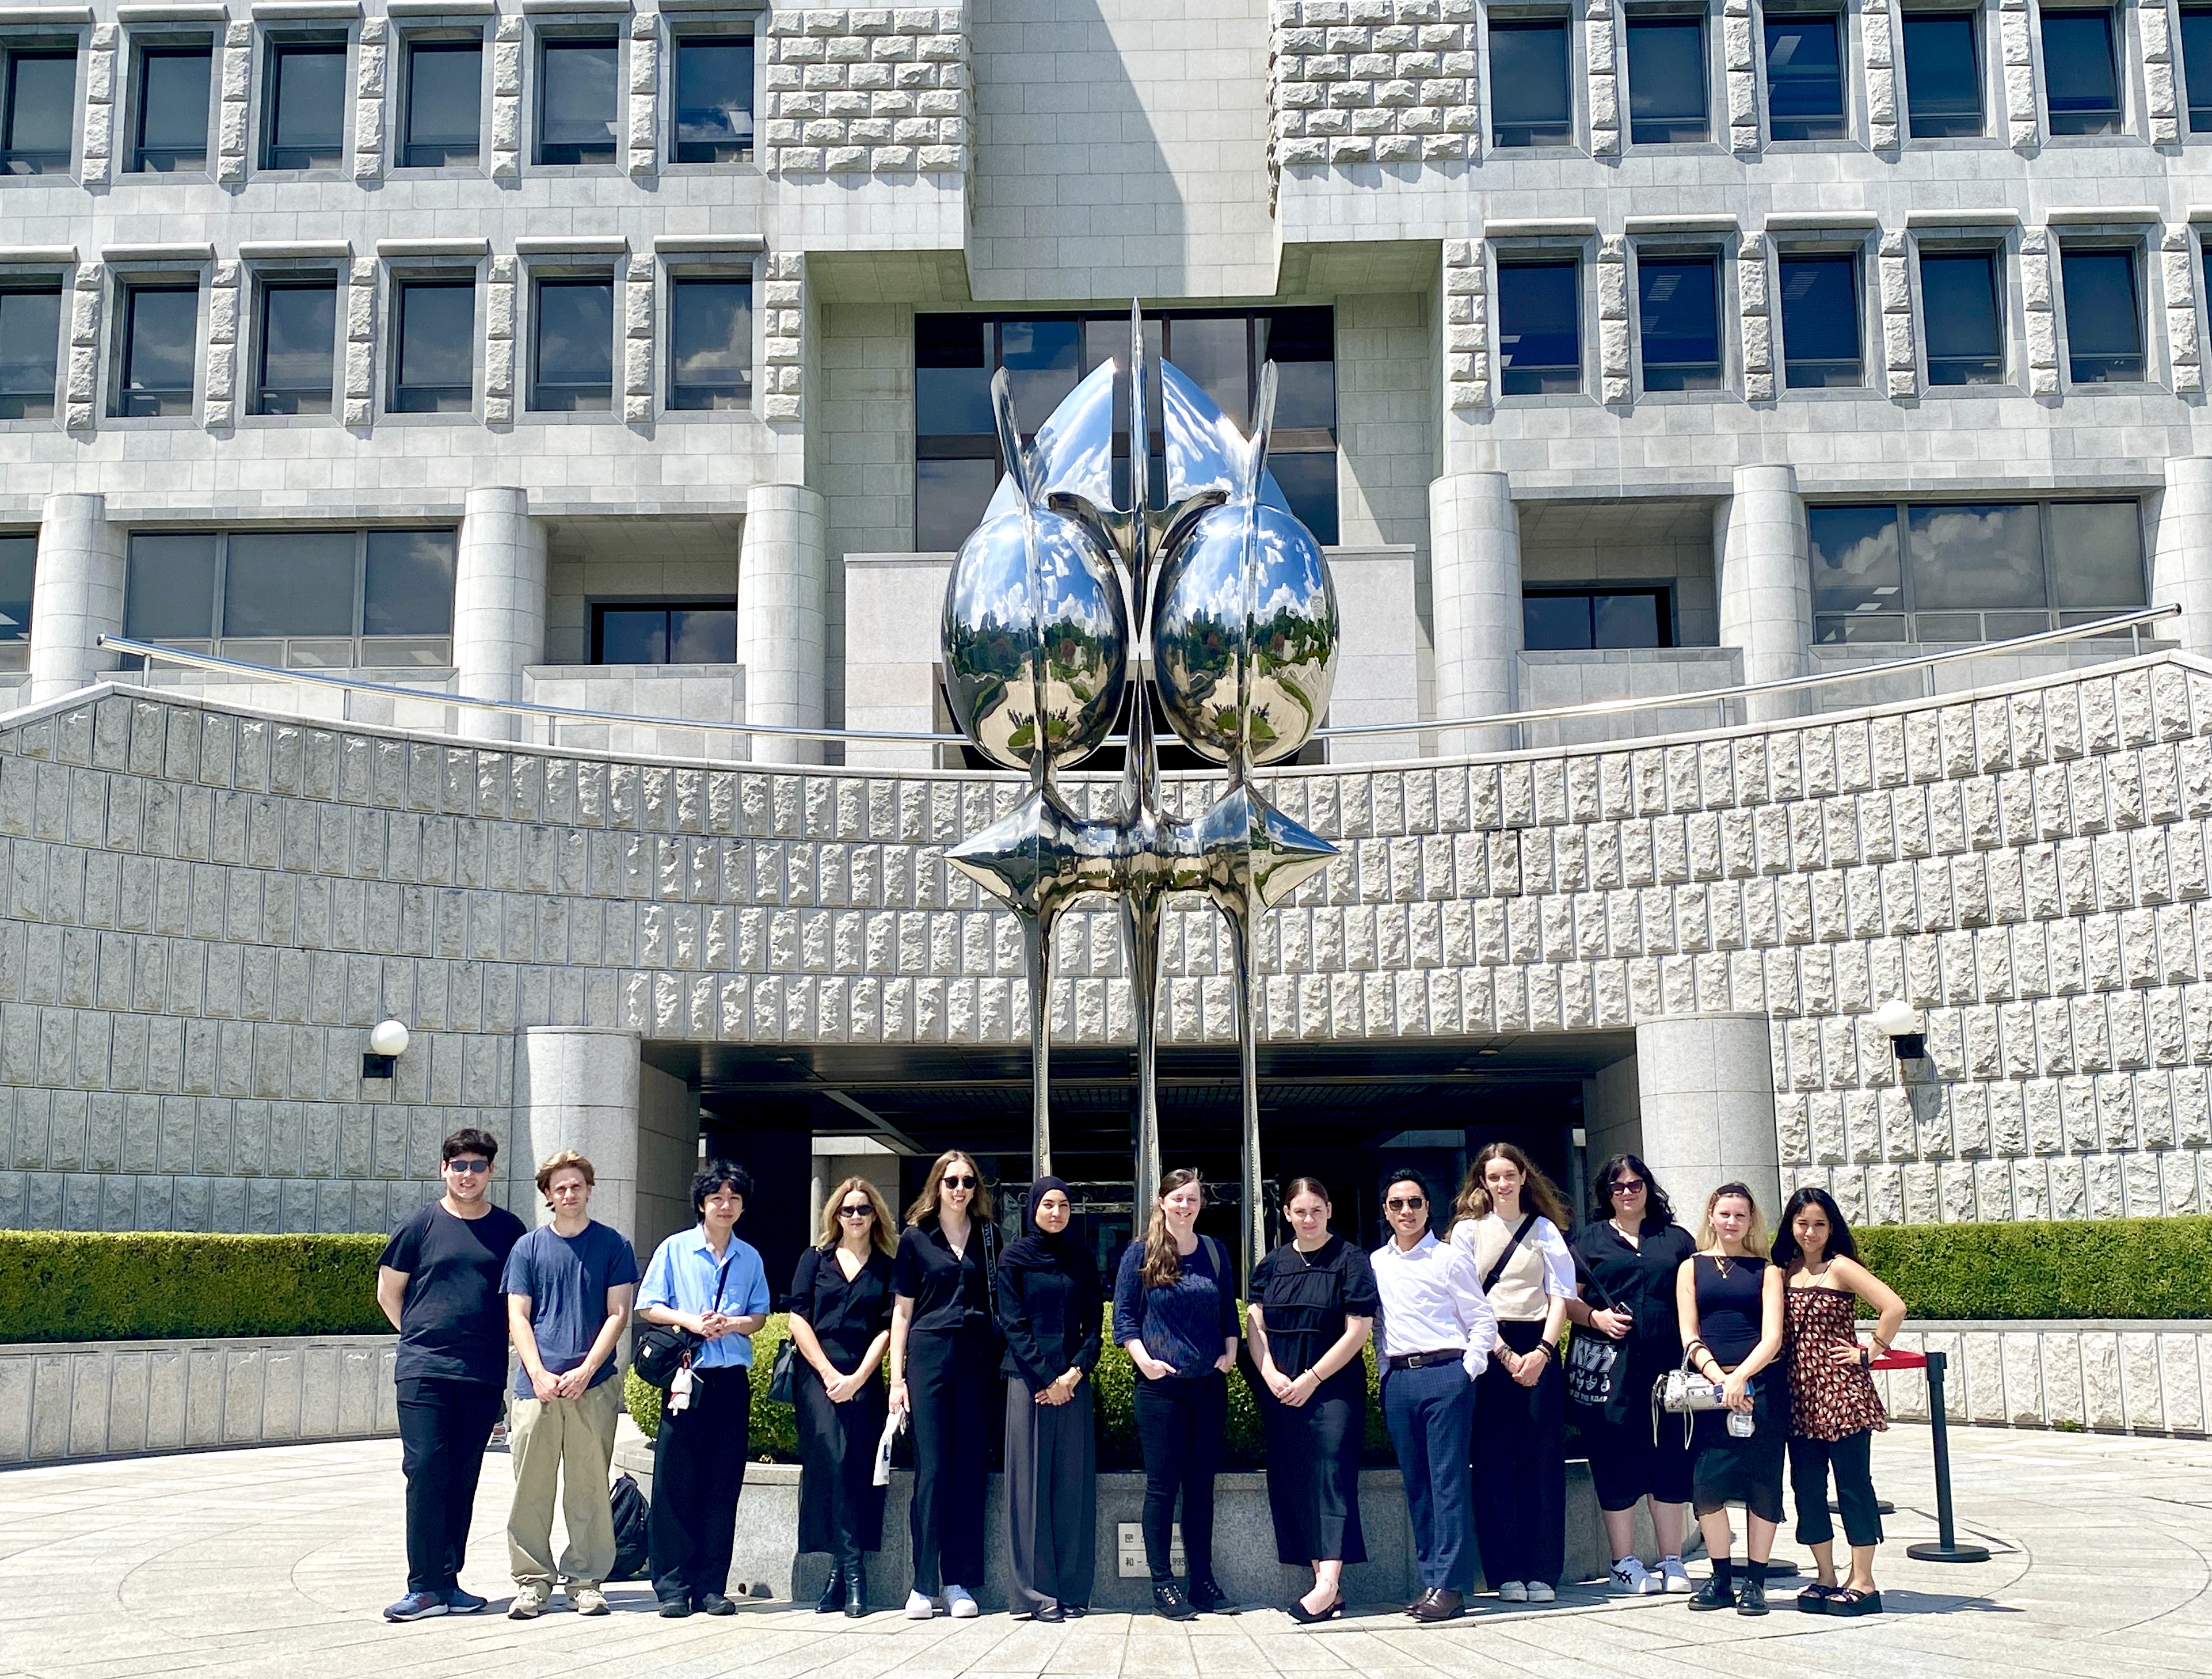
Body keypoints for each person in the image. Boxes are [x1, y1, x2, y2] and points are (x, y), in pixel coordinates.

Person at [375, 1128, 527, 1623]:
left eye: (477, 1166)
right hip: (424, 1370)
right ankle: (422, 1586)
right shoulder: (419, 1223)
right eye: (458, 1165)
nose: (467, 1174)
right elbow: (388, 1292)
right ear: (444, 1169)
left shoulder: (509, 1229)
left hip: (481, 1373)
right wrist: (421, 1334)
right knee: (424, 1471)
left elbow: (519, 1299)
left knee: (463, 1475)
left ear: (490, 1171)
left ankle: (449, 1581)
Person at [501, 1149, 638, 1619]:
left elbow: (617, 1314)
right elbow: (518, 1315)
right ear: (547, 1195)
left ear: (588, 1189)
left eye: (576, 1185)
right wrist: (537, 1372)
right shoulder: (528, 1247)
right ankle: (532, 1582)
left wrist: (584, 1371)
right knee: (530, 1490)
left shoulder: (612, 1245)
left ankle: (585, 1580)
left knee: (589, 1489)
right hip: (534, 1388)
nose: (569, 1194)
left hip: (592, 1385)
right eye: (559, 1187)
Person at [635, 1162, 772, 1618]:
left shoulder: (749, 1257)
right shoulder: (675, 1249)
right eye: (717, 1198)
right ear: (701, 1203)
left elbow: (759, 1316)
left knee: (721, 1483)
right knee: (675, 1482)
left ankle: (712, 1584)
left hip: (730, 1380)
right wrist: (690, 1320)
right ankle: (672, 1584)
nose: (725, 1205)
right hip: (684, 1378)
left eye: (734, 1198)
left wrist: (732, 1324)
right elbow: (648, 1306)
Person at [1564, 1153, 1697, 1597]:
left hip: (1666, 1364)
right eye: (1617, 1186)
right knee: (1614, 1457)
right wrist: (1595, 1318)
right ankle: (1623, 1563)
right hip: (1610, 1369)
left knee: (1670, 1457)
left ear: (1648, 1188)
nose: (1626, 1192)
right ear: (1606, 1192)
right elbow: (1564, 1300)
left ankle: (1671, 1559)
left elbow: (1693, 1297)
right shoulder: (1589, 1239)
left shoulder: (1676, 1240)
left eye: (1635, 1184)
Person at [1370, 1165, 1497, 1624]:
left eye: (1415, 1202)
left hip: (1446, 1374)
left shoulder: (1448, 1258)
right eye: (1397, 1203)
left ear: (1427, 1207)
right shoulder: (1376, 1263)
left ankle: (1451, 1584)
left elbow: (1482, 1319)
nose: (1406, 1211)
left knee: (1447, 1482)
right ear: (1385, 1210)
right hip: (1400, 1380)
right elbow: (1378, 1325)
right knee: (1417, 1484)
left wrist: (1467, 1370)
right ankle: (1431, 1578)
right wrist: (1385, 1375)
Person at [1246, 1177, 1377, 1623]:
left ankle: (1326, 1585)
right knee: (1294, 1479)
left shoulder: (1350, 1259)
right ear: (1286, 1213)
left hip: (1332, 1387)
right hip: (1281, 1388)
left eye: (1316, 1210)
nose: (1308, 1218)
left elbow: (1358, 1329)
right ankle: (1325, 1586)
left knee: (1331, 1473)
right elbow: (1255, 1324)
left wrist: (1312, 1377)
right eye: (1299, 1211)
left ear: (1329, 1210)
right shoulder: (1269, 1265)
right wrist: (1271, 1375)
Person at [1112, 1168, 1240, 1620]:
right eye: (1178, 1198)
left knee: (1201, 1487)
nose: (1185, 1206)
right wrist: (1142, 1358)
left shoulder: (1214, 1251)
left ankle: (1201, 1580)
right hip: (1159, 1390)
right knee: (1162, 1487)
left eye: (1193, 1198)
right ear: (1162, 1202)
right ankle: (1163, 1584)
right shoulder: (1140, 1253)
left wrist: (1230, 1350)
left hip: (1207, 1386)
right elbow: (1123, 1315)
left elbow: (1227, 1307)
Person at [1773, 1186, 1906, 1617]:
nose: (1809, 1232)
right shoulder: (1783, 1270)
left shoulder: (1841, 1267)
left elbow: (1893, 1306)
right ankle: (1825, 1574)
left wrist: (1870, 1349)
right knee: (1807, 1488)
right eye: (1802, 1223)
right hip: (1800, 1396)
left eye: (1818, 1224)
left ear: (1831, 1227)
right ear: (1790, 1226)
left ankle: (1863, 1580)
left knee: (1852, 1486)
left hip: (1843, 1393)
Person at [1451, 1143, 1575, 1604]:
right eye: (1493, 1176)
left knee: (1542, 1462)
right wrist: (1503, 1354)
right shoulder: (1467, 1232)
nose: (1502, 1183)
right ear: (1482, 1181)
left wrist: (1543, 1350)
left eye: (1509, 1174)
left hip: (1539, 1344)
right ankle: (1504, 1570)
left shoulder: (1544, 1228)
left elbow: (1559, 1293)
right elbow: (1465, 1301)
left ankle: (1543, 1569)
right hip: (1490, 1348)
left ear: (1524, 1177)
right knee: (1493, 1462)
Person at [888, 1151, 999, 1620]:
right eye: (951, 1180)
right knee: (932, 1470)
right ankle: (922, 1583)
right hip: (929, 1355)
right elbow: (901, 1312)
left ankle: (958, 1581)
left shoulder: (990, 1238)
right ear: (937, 1185)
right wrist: (896, 1378)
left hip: (976, 1357)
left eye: (968, 1181)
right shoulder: (915, 1239)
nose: (960, 1189)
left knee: (969, 1471)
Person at [1675, 1181, 1788, 1616]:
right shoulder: (1691, 1267)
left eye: (1740, 1215)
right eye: (1725, 1214)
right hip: (1709, 1391)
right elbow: (1689, 1331)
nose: (1732, 1222)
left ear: (1750, 1220)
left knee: (1762, 1484)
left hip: (1759, 1387)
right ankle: (1720, 1578)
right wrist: (1718, 1378)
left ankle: (1754, 1582)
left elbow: (1773, 1335)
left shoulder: (1767, 1270)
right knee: (1708, 1485)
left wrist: (1739, 1378)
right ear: (1711, 1215)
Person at [789, 1176, 897, 1619]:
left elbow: (889, 1328)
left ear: (876, 1216)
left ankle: (838, 1573)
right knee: (833, 1457)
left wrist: (856, 1378)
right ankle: (855, 1574)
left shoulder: (888, 1266)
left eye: (863, 1209)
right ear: (834, 1215)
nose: (855, 1216)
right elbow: (797, 1317)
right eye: (847, 1209)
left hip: (864, 1376)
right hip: (817, 1374)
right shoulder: (814, 1260)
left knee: (855, 1467)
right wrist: (831, 1373)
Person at [996, 1176, 1102, 1622]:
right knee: (1030, 1489)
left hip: (1072, 1383)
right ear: (1032, 1210)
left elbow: (1095, 1326)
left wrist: (1074, 1373)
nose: (1056, 1213)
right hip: (1028, 1381)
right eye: (1048, 1205)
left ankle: (1074, 1591)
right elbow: (1013, 1321)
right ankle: (1036, 1594)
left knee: (1073, 1489)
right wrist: (1047, 1376)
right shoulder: (1014, 1257)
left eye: (1063, 1205)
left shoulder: (1082, 1258)